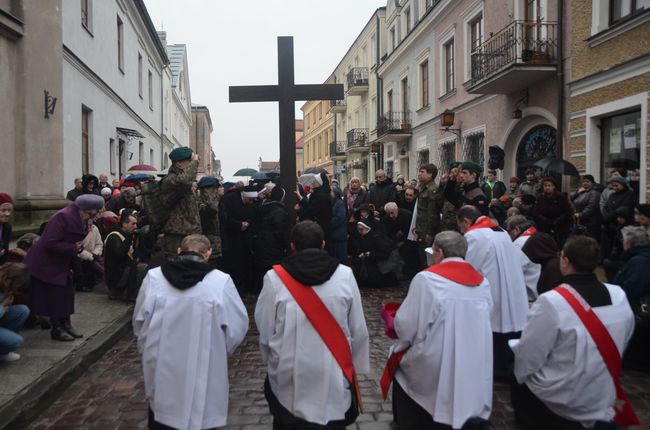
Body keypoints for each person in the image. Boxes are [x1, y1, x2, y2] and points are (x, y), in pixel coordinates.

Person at [511, 236, 635, 430]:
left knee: (518, 374)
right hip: (601, 390)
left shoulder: (552, 302)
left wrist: (520, 376)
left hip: (561, 396)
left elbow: (530, 354)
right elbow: (625, 338)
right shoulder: (618, 295)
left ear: (565, 261)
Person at [255, 221, 369, 429]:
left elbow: (265, 328)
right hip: (333, 368)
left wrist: (269, 359)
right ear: (324, 244)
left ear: (292, 246)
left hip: (288, 369)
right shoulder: (345, 275)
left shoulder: (274, 279)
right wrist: (355, 366)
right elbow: (358, 327)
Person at [134, 234, 248, 430]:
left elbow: (139, 322)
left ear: (179, 251)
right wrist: (219, 349)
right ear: (208, 254)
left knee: (163, 415)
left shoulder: (154, 278)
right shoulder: (220, 282)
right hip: (206, 363)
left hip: (161, 364)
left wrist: (148, 347)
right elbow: (237, 327)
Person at [386, 231, 493, 430]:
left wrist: (395, 321)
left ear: (440, 253)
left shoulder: (427, 279)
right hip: (473, 357)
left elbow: (406, 326)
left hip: (435, 357)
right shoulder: (482, 282)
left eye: (433, 252)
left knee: (401, 367)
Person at [457, 205, 529, 379]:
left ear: (466, 221)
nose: (461, 230)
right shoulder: (501, 231)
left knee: (496, 324)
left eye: (460, 226)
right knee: (509, 323)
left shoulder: (474, 235)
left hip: (493, 287)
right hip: (511, 286)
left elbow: (469, 267)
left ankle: (498, 370)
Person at [25, 194, 105, 341]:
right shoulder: (63, 217)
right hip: (46, 263)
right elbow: (49, 242)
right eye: (95, 213)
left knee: (67, 293)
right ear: (86, 210)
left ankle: (66, 324)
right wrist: (72, 247)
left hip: (62, 261)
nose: (95, 217)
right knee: (56, 295)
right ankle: (57, 329)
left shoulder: (83, 219)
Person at [615, 226, 650, 372]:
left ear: (630, 243)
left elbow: (632, 288)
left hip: (637, 312)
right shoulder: (640, 258)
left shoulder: (639, 261)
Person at [160, 147, 201, 258]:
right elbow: (184, 180)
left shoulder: (181, 180)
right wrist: (195, 161)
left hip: (187, 231)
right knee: (176, 263)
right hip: (177, 233)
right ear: (178, 164)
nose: (191, 165)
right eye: (189, 162)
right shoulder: (170, 179)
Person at [220, 184, 258, 294]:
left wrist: (248, 223)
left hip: (245, 238)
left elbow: (252, 216)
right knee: (234, 265)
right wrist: (238, 225)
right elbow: (224, 219)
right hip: (231, 238)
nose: (251, 203)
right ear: (245, 196)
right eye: (250, 200)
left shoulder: (249, 203)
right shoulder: (229, 199)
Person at [253, 186, 289, 293]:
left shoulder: (263, 206)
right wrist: (284, 245)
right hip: (273, 245)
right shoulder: (278, 210)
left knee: (262, 270)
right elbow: (279, 230)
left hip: (261, 242)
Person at [411, 163, 442, 266]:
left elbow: (432, 213)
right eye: (420, 171)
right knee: (421, 257)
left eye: (422, 172)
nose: (419, 174)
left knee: (426, 259)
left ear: (430, 175)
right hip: (421, 228)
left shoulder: (432, 189)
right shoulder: (423, 188)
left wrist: (430, 232)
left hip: (426, 230)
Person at [505, 216, 541, 301]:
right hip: (542, 292)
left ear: (517, 229)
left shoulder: (519, 243)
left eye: (509, 232)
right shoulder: (538, 236)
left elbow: (512, 273)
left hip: (529, 299)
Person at [104, 211, 139, 301]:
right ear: (124, 224)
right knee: (137, 267)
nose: (136, 227)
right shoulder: (114, 236)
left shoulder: (127, 235)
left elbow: (136, 254)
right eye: (133, 224)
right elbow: (120, 254)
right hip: (116, 275)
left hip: (124, 269)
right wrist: (129, 238)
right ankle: (120, 292)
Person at [0, 263, 30, 362]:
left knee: (22, 311)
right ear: (9, 279)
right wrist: (3, 307)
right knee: (16, 341)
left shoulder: (5, 286)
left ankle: (3, 353)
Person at [533, 177, 573, 248]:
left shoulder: (561, 196)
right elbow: (536, 212)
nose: (547, 187)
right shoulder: (540, 197)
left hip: (560, 227)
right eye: (545, 186)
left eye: (549, 185)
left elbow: (567, 211)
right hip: (544, 227)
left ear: (554, 186)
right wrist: (545, 221)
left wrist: (557, 221)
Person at [296, 173, 332, 243]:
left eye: (315, 182)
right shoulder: (318, 194)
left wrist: (300, 217)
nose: (313, 183)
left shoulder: (322, 196)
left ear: (320, 184)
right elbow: (310, 206)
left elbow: (311, 210)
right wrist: (300, 196)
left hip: (321, 229)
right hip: (319, 227)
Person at [197, 176, 222, 267]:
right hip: (206, 240)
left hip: (215, 240)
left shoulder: (215, 200)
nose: (216, 191)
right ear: (205, 189)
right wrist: (214, 197)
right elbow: (212, 210)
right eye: (214, 189)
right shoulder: (199, 202)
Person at [74, 217, 103, 292]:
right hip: (80, 256)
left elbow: (99, 244)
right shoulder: (77, 231)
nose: (90, 227)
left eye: (91, 224)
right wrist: (90, 256)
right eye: (88, 225)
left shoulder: (95, 229)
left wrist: (95, 253)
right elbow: (77, 249)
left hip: (92, 255)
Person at [571, 174, 601, 241]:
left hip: (590, 223)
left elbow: (592, 206)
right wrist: (577, 193)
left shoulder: (595, 192)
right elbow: (571, 200)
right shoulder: (582, 192)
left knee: (589, 242)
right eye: (583, 181)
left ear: (592, 183)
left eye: (587, 181)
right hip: (580, 222)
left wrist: (581, 214)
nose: (585, 183)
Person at [329, 187, 348, 264]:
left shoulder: (339, 203)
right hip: (334, 235)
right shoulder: (332, 203)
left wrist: (329, 223)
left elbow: (340, 217)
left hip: (339, 235)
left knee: (341, 257)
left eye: (331, 192)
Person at [0, 193, 14, 266]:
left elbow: (5, 249)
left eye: (9, 210)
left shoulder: (7, 227)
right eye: (3, 210)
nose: (7, 214)